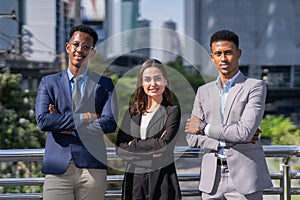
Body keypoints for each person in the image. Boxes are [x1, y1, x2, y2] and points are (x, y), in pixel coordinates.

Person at [185, 29, 272, 200]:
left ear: (238, 54)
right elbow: (191, 137)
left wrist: (203, 127)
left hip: (245, 177)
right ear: (212, 57)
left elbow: (244, 132)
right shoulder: (203, 91)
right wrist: (229, 138)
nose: (223, 59)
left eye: (228, 53)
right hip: (212, 179)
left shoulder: (255, 86)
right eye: (218, 54)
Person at [35, 24, 117, 200]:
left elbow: (109, 122)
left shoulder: (104, 84)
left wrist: (62, 123)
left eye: (86, 47)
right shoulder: (48, 83)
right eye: (76, 44)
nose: (80, 50)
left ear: (92, 52)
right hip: (57, 168)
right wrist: (86, 117)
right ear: (68, 47)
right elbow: (43, 120)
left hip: (92, 168)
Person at [116, 59, 182, 200]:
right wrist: (153, 147)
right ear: (141, 83)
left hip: (162, 178)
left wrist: (133, 145)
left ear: (165, 81)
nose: (153, 84)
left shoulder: (172, 111)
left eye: (157, 79)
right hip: (134, 180)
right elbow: (120, 148)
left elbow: (164, 145)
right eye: (147, 79)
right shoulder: (132, 113)